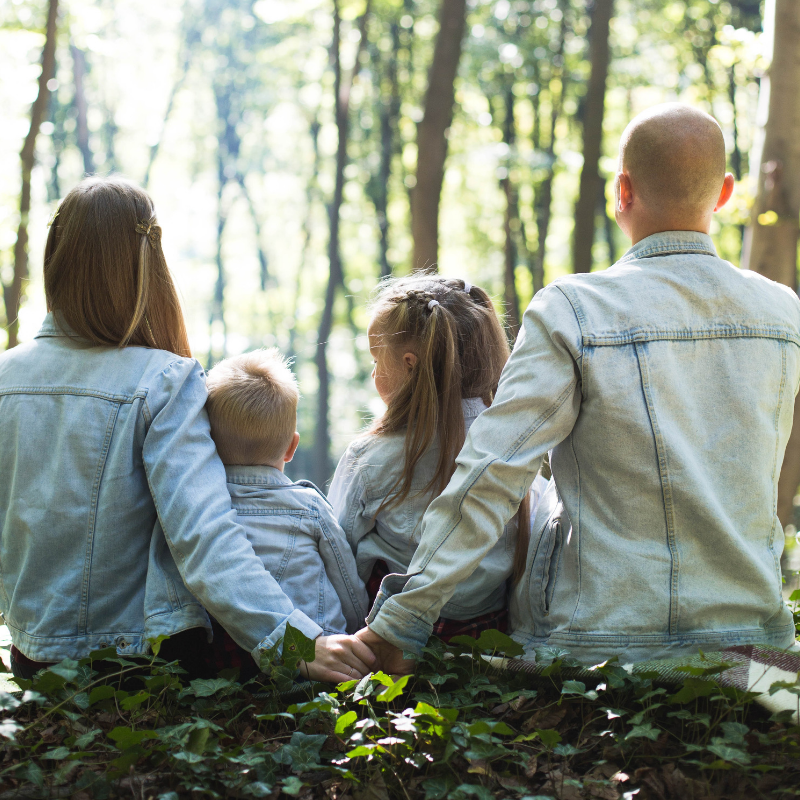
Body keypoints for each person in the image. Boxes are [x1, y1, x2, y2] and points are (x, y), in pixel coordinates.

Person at [357, 103, 800, 671]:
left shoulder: (574, 310)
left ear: (622, 191)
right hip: (755, 647)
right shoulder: (782, 312)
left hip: (597, 645)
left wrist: (402, 621)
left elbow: (493, 472)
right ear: (725, 194)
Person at [0, 176, 374, 683]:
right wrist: (296, 643)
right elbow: (204, 537)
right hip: (132, 664)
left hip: (31, 659)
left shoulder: (5, 375)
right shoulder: (163, 380)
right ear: (147, 263)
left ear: (55, 257)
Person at [329, 275, 546, 641]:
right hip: (486, 637)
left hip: (386, 638)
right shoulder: (516, 451)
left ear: (409, 364)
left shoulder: (370, 457)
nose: (373, 372)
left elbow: (337, 551)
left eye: (376, 358)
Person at [203, 349, 368, 678]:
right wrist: (356, 630)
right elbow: (347, 584)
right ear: (292, 447)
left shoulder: (202, 509)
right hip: (317, 658)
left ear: (207, 442)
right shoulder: (308, 506)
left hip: (231, 663)